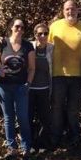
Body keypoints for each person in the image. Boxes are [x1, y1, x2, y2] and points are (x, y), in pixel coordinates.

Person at [48, 0, 81, 148]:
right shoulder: (55, 27)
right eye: (67, 9)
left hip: (78, 76)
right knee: (57, 107)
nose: (70, 12)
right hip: (58, 74)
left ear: (78, 10)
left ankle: (74, 138)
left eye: (73, 9)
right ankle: (55, 139)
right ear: (63, 11)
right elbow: (46, 49)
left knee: (74, 108)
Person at [0, 18, 36, 160]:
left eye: (22, 27)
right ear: (11, 27)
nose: (20, 29)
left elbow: (32, 68)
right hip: (4, 86)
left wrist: (28, 84)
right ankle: (12, 148)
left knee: (23, 117)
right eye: (17, 26)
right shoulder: (2, 43)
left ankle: (26, 148)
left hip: (21, 86)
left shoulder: (28, 45)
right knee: (8, 118)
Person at [29, 23, 53, 152]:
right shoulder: (29, 47)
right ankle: (31, 144)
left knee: (45, 119)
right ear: (35, 35)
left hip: (45, 89)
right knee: (29, 117)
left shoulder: (52, 49)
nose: (43, 36)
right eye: (40, 34)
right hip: (30, 89)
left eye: (45, 33)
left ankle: (42, 144)